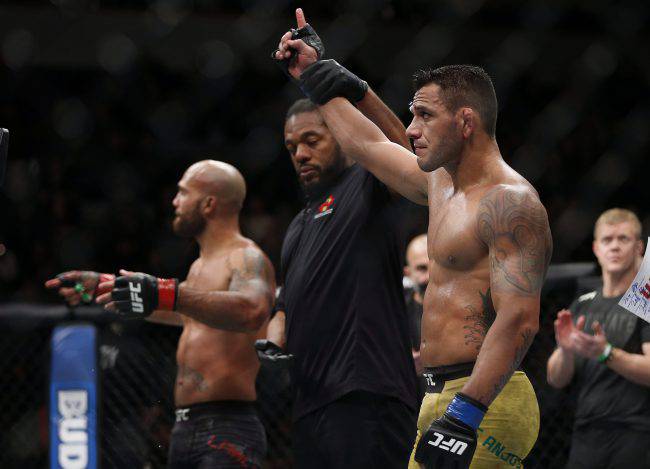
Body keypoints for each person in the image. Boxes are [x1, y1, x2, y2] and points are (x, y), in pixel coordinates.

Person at [274, 9, 553, 468]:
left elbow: (519, 319)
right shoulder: (441, 184)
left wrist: (466, 414)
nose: (411, 130)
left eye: (424, 115)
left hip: (486, 401)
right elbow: (367, 145)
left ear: (465, 122)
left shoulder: (509, 202)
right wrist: (314, 77)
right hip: (436, 396)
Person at [46, 160, 275, 469]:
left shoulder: (245, 256)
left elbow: (253, 309)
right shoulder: (200, 266)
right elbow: (183, 310)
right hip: (185, 426)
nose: (175, 201)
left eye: (183, 192)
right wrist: (102, 285)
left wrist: (166, 293)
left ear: (208, 204)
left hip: (226, 425)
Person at [260, 79, 420, 466]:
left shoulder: (366, 185)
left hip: (366, 392)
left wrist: (357, 91)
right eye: (292, 147)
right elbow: (285, 305)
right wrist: (274, 338)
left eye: (312, 140)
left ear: (341, 136)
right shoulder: (298, 225)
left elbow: (405, 155)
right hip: (311, 401)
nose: (301, 154)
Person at [547, 208, 650, 469]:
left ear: (639, 247)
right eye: (607, 239)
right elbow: (556, 379)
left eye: (623, 239)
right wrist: (566, 351)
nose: (614, 246)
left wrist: (606, 353)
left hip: (636, 432)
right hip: (586, 432)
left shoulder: (645, 300)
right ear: (596, 248)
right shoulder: (583, 304)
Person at [404, 233, 429, 376]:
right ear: (408, 273)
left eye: (435, 266)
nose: (430, 276)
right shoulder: (395, 313)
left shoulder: (464, 307)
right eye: (422, 268)